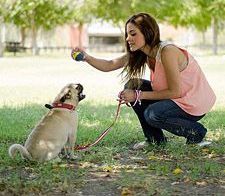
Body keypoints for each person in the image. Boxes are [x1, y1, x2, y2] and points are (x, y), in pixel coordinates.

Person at [73, 12, 216, 150]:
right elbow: (109, 64)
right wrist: (87, 57)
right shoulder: (143, 53)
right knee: (133, 84)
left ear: (148, 32)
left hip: (191, 102)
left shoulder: (167, 52)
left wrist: (137, 95)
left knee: (153, 113)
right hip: (176, 99)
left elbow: (175, 91)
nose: (128, 38)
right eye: (127, 34)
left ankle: (196, 132)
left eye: (133, 34)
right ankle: (155, 140)